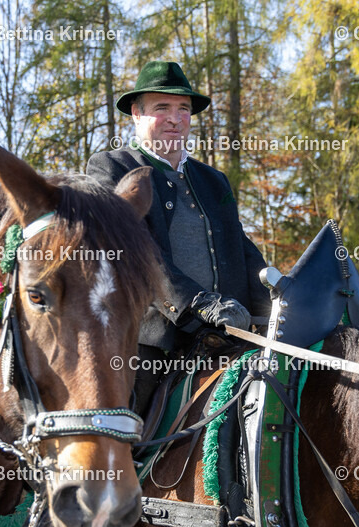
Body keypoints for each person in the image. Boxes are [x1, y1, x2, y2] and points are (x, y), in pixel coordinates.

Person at [86, 60, 271, 410]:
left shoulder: (213, 180)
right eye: (162, 108)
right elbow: (134, 250)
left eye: (183, 109)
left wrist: (279, 303)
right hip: (150, 344)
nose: (175, 118)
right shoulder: (113, 168)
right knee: (123, 430)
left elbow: (242, 251)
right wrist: (197, 302)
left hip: (227, 339)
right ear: (136, 114)